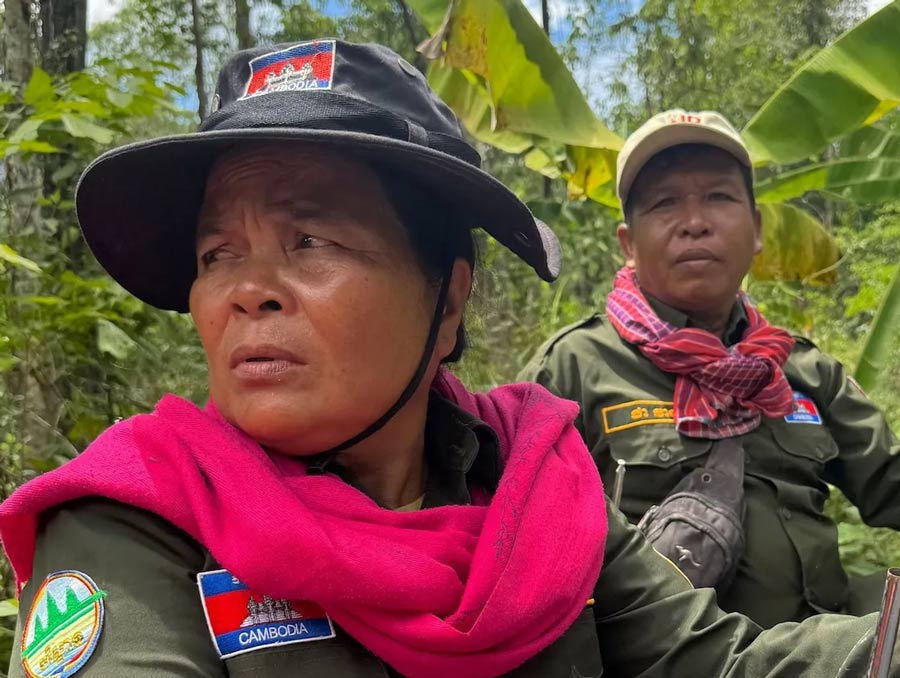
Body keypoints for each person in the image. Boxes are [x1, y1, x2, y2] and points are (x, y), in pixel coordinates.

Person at [0, 42, 895, 678]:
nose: (248, 290)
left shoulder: (537, 483)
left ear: (450, 298)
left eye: (309, 239)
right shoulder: (132, 530)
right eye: (215, 254)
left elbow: (711, 658)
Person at [520, 108, 900, 628]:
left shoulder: (802, 369)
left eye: (719, 197)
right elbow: (513, 549)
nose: (695, 222)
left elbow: (890, 482)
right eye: (664, 203)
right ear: (628, 243)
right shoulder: (573, 368)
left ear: (757, 229)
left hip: (823, 656)